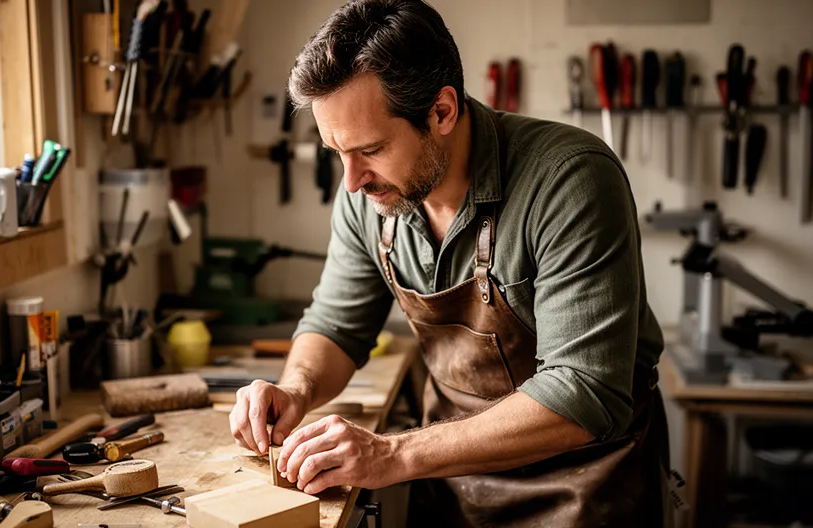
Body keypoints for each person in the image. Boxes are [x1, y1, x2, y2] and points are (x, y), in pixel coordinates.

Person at [228, 0, 670, 525]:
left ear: (441, 111)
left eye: (371, 149)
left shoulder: (569, 180)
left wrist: (392, 454)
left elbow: (584, 392)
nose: (351, 182)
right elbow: (336, 325)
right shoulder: (371, 195)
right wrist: (296, 387)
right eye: (336, 152)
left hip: (588, 492)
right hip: (453, 488)